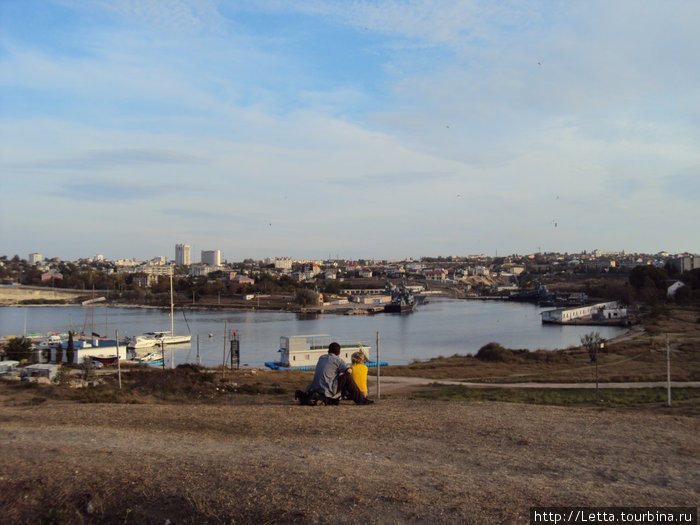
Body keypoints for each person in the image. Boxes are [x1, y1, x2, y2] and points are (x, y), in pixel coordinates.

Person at [297, 342, 373, 405]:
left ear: (328, 351)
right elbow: (349, 371)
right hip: (328, 390)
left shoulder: (322, 358)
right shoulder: (338, 360)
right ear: (339, 352)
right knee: (347, 377)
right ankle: (361, 400)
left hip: (316, 388)